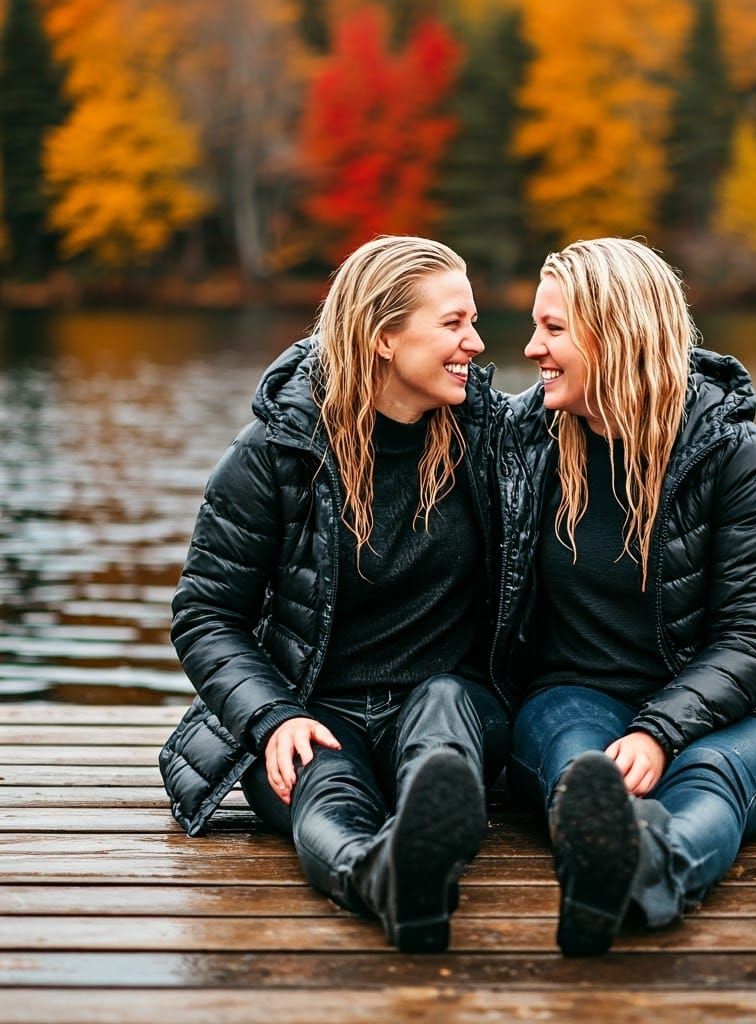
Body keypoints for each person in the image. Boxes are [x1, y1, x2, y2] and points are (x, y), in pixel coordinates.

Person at [159, 235, 531, 953]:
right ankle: (382, 879)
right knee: (324, 786)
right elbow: (206, 615)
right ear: (385, 337)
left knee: (443, 709)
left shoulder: (491, 438)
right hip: (312, 709)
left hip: (444, 704)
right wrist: (273, 718)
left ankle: (430, 836)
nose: (477, 343)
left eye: (474, 321)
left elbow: (604, 394)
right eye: (453, 323)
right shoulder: (275, 451)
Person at [508, 238, 756, 956]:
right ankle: (618, 860)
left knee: (712, 777)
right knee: (585, 774)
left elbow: (754, 637)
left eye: (553, 329)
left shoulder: (730, 452)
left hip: (738, 705)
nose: (531, 348)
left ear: (615, 335)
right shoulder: (523, 437)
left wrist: (659, 731)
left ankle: (644, 877)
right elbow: (384, 388)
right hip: (574, 693)